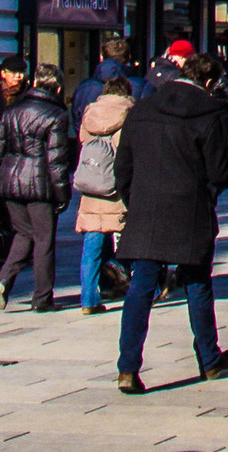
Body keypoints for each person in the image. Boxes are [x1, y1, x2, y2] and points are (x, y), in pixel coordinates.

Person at [113, 54, 228, 394]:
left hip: (147, 209)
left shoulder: (142, 109)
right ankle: (209, 359)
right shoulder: (209, 113)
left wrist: (134, 201)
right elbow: (218, 172)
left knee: (141, 288)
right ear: (210, 83)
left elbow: (122, 167)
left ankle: (128, 367)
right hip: (190, 209)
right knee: (197, 284)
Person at [0, 63, 70, 312]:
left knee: (23, 234)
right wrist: (63, 194)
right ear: (58, 87)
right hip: (39, 184)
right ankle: (42, 298)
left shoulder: (12, 110)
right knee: (43, 240)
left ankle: (3, 280)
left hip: (10, 181)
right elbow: (57, 160)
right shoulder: (56, 115)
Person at [74, 77, 134, 316]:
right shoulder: (130, 113)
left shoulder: (90, 114)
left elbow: (83, 141)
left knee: (92, 247)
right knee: (130, 242)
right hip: (117, 188)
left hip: (92, 187)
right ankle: (132, 285)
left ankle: (88, 299)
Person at [70, 38, 145, 126]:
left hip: (90, 137)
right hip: (127, 137)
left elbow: (77, 121)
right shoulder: (140, 86)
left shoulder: (84, 88)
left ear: (101, 57)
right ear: (129, 57)